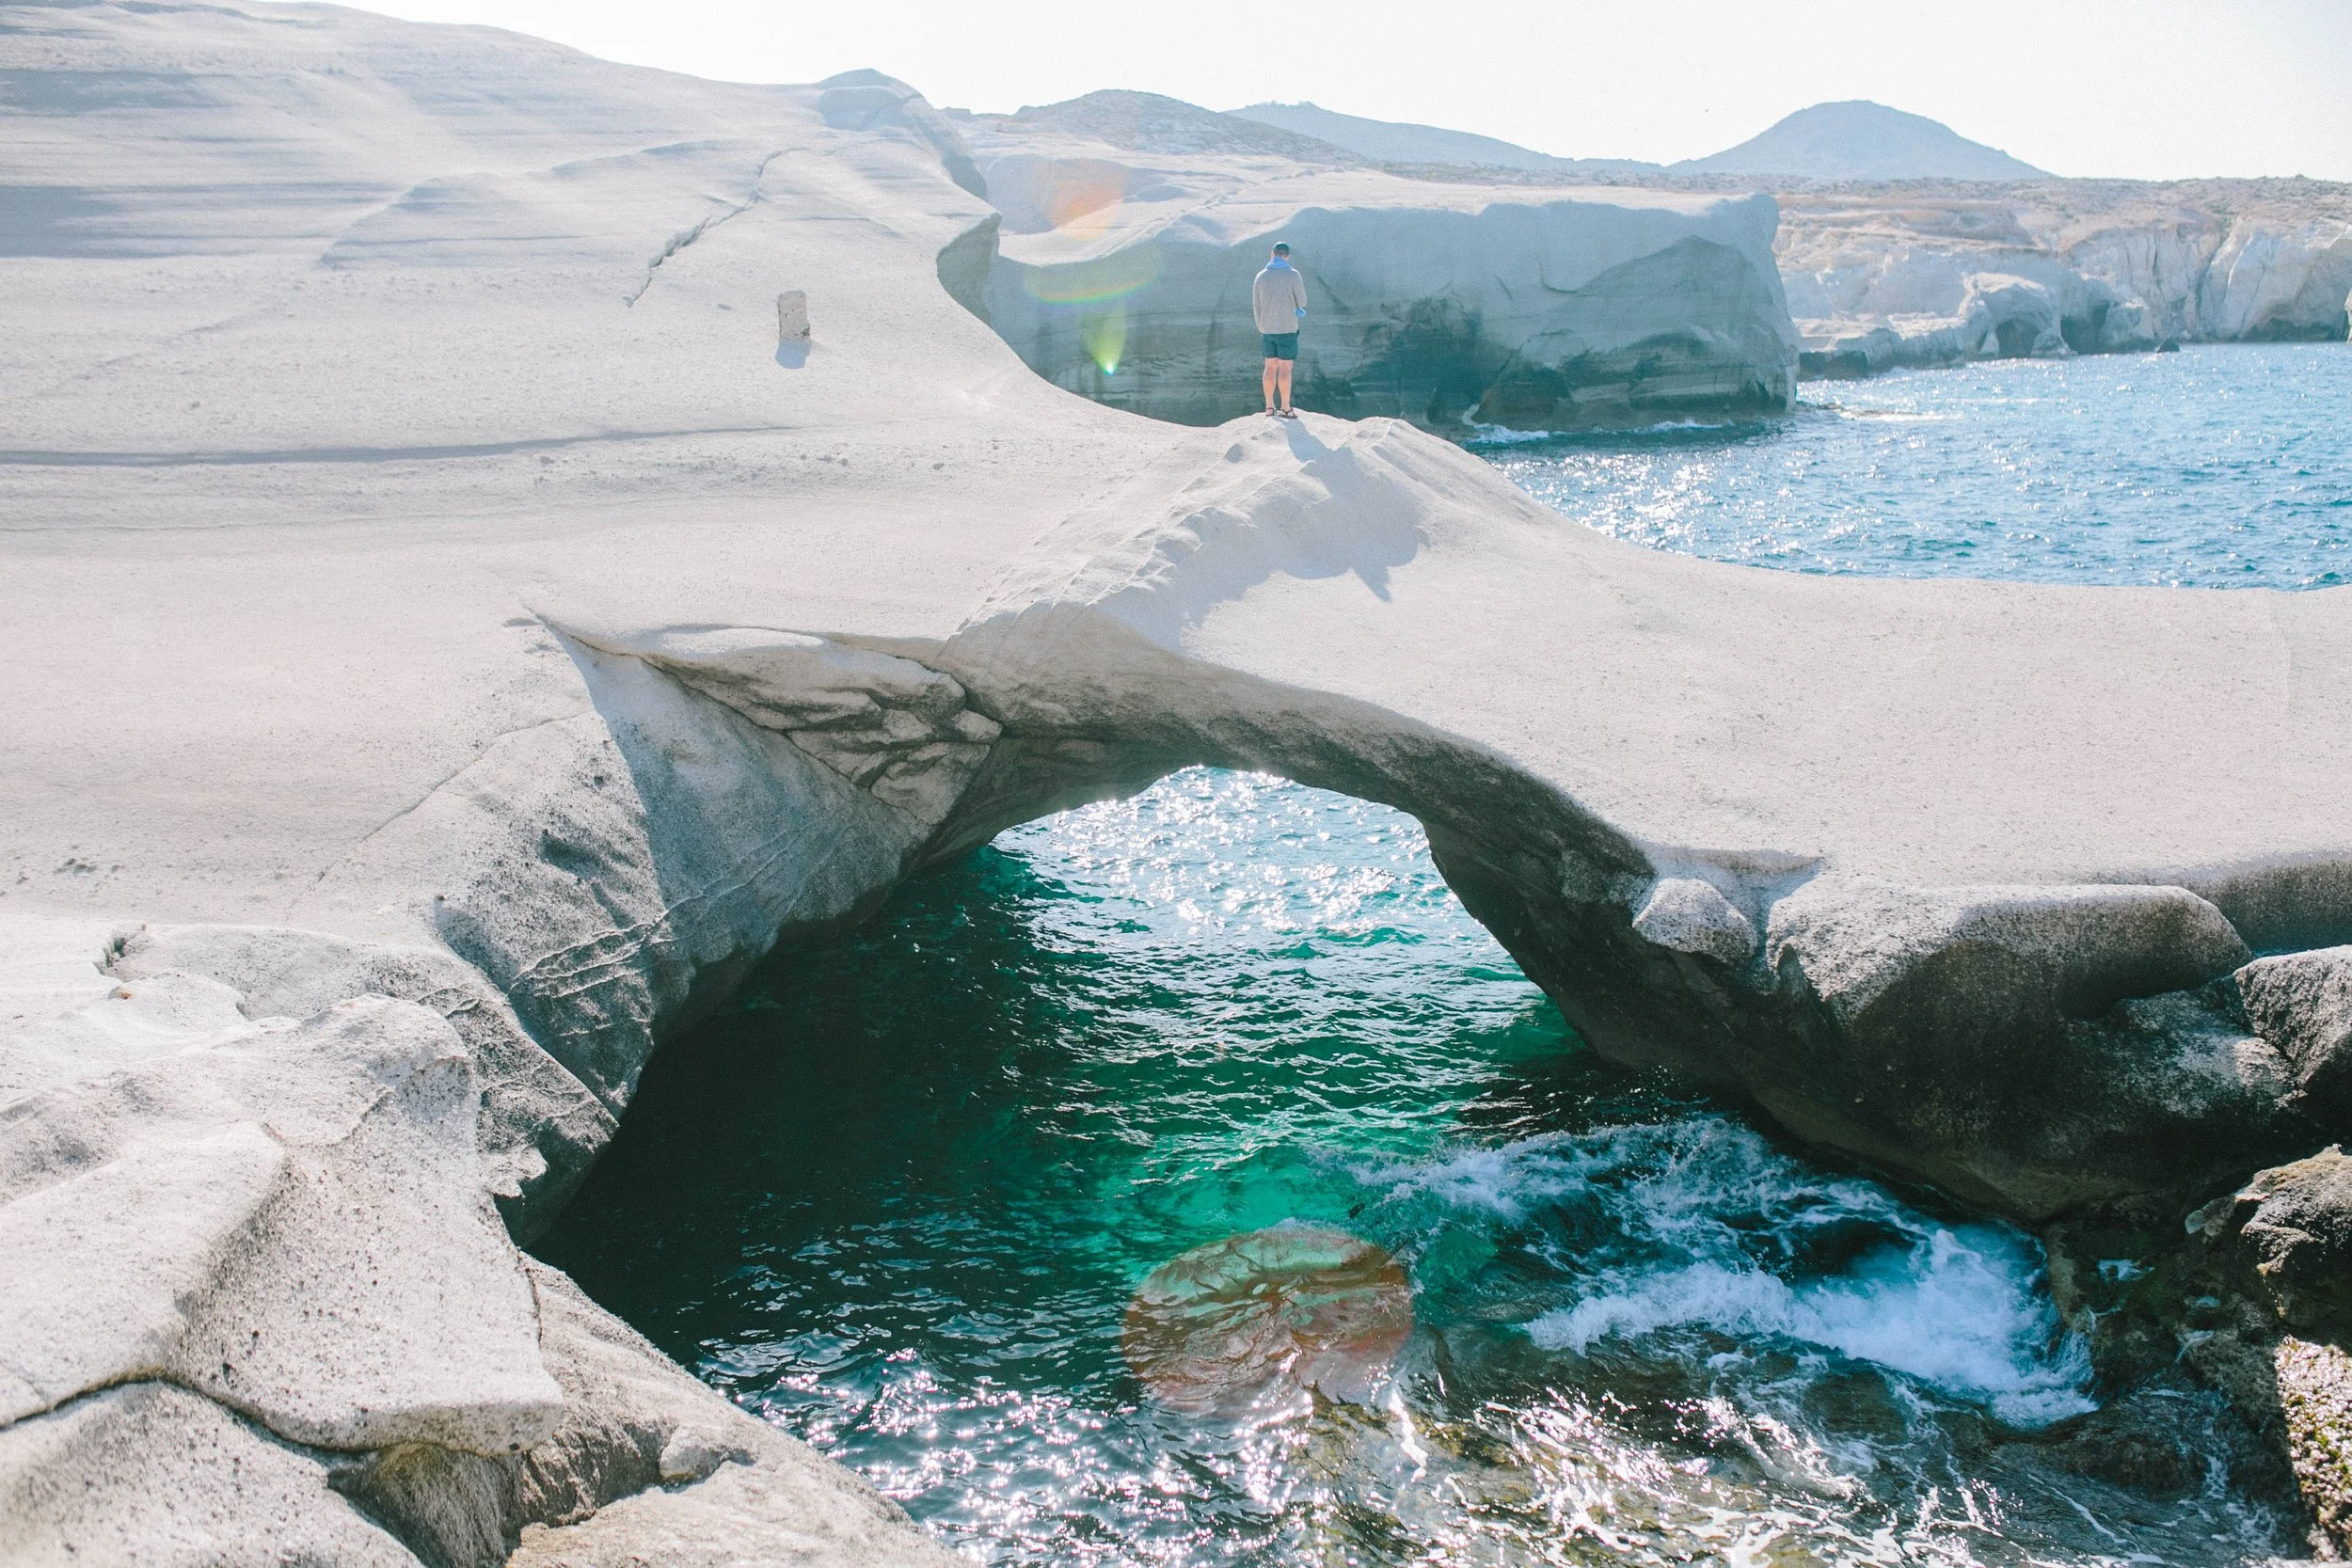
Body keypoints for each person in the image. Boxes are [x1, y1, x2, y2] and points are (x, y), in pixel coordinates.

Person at [1252, 242, 1307, 418]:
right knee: (1285, 367)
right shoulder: (1293, 275)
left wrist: (1261, 326)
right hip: (1287, 328)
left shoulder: (1260, 276)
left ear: (1272, 254)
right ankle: (1285, 408)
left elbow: (1256, 305)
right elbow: (1303, 301)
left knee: (1269, 366)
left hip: (1267, 329)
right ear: (1287, 256)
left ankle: (1269, 407)